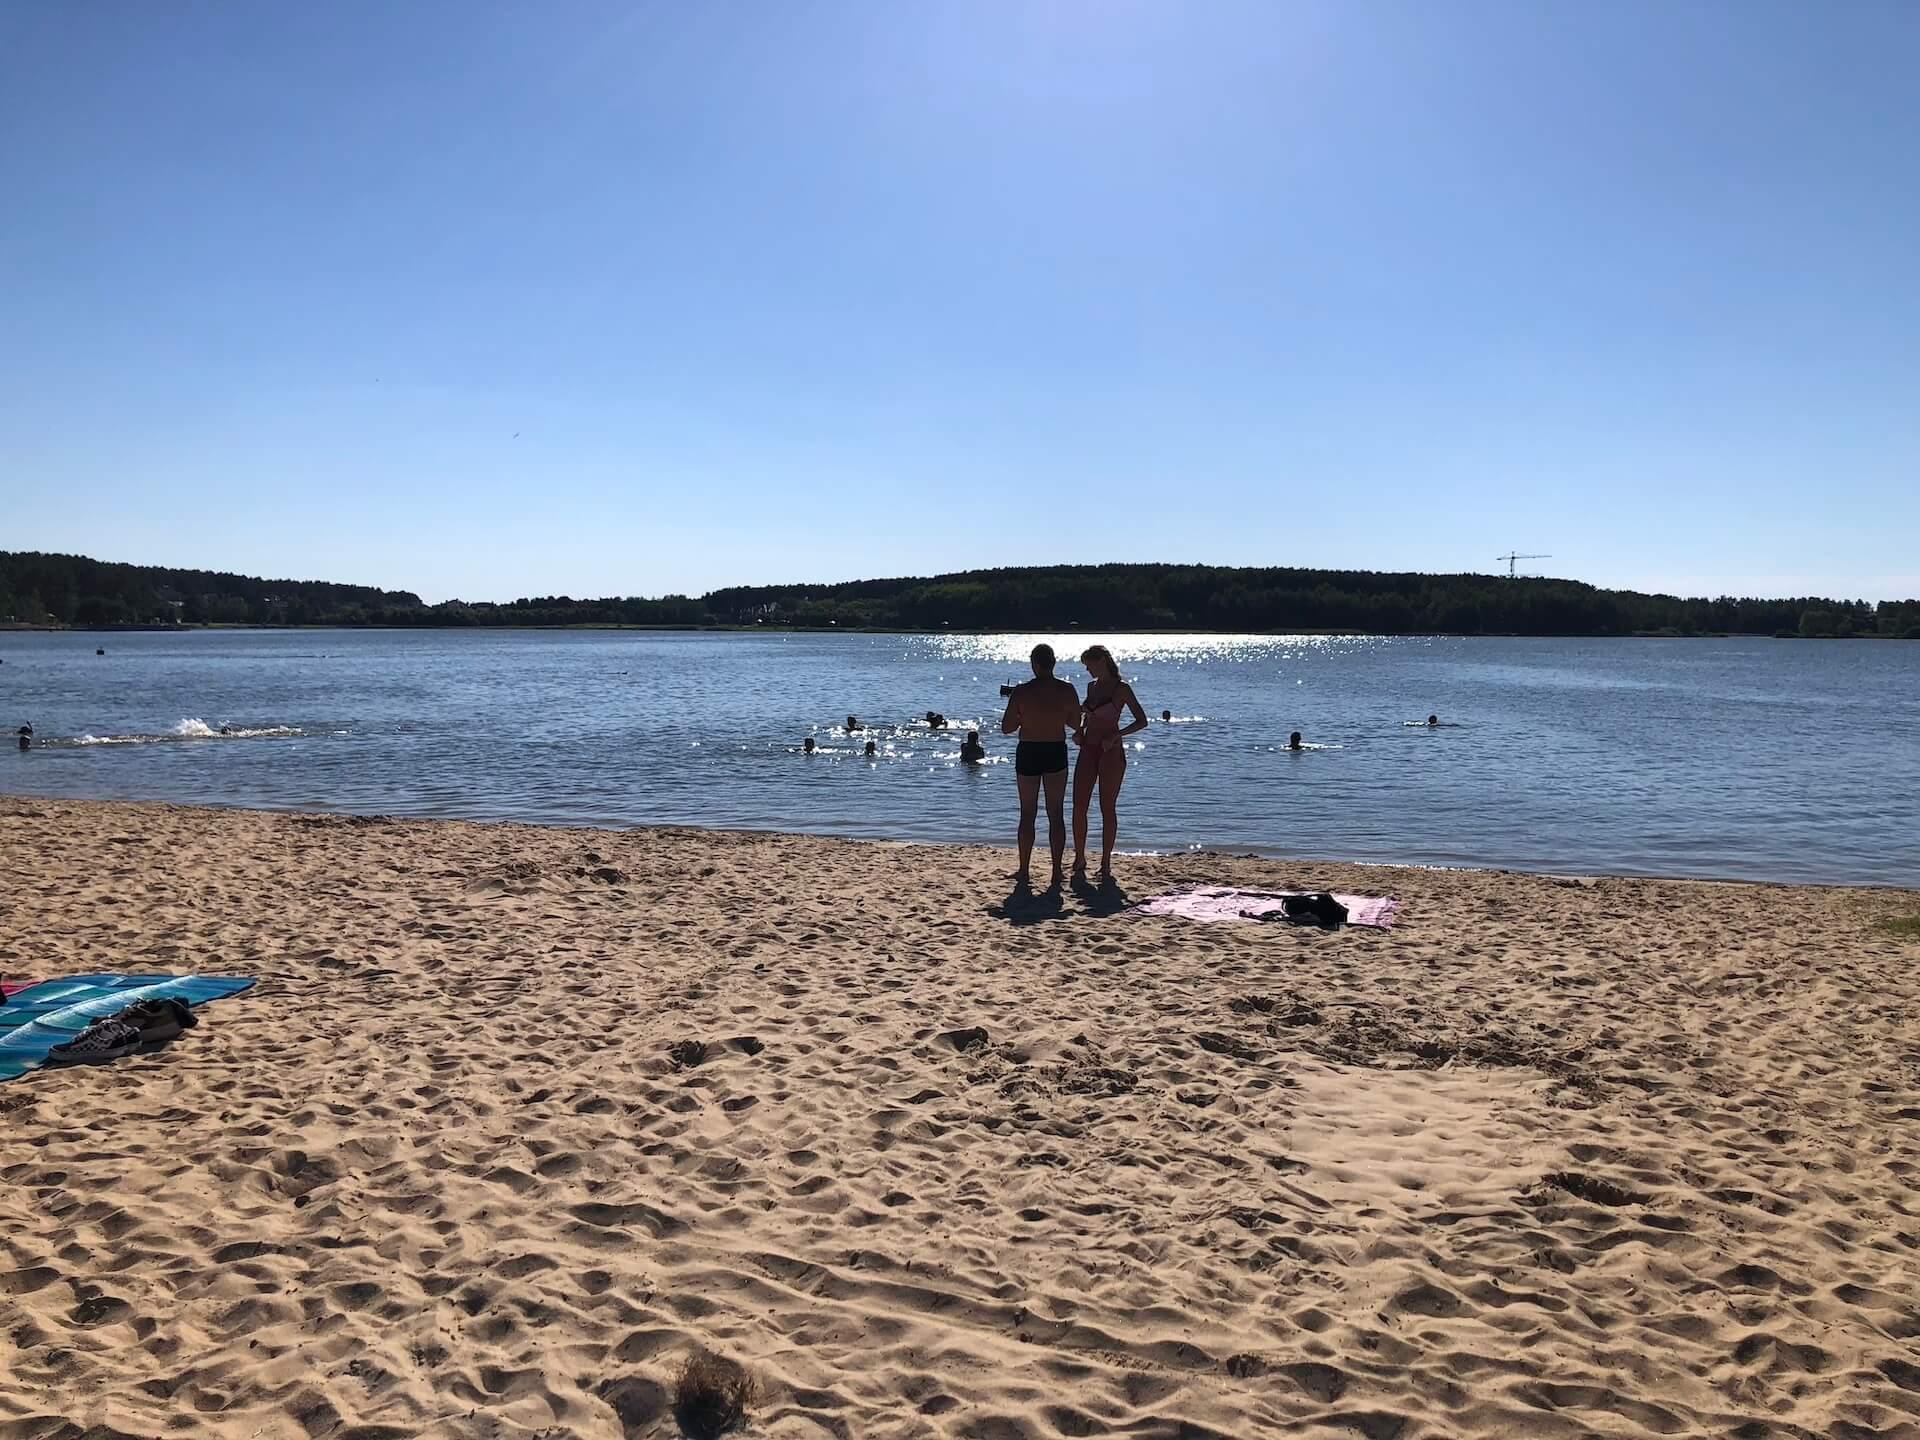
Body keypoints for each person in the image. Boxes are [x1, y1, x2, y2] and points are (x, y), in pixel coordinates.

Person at [999, 643, 1080, 887]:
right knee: (1056, 813)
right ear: (1053, 663)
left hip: (1029, 750)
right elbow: (1076, 723)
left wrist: (1026, 717)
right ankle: (1056, 871)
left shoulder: (1022, 692)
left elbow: (1007, 727)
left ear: (1034, 664)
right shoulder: (1066, 690)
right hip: (1055, 749)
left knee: (1027, 813)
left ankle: (1024, 869)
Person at [1072, 645, 1149, 883]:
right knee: (1078, 806)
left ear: (1102, 661)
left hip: (1110, 751)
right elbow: (1086, 718)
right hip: (1088, 749)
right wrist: (1079, 732)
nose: (1086, 669)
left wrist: (1117, 736)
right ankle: (1080, 857)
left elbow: (1142, 721)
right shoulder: (1091, 687)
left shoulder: (1121, 688)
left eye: (1089, 664)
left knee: (1107, 807)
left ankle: (1105, 862)